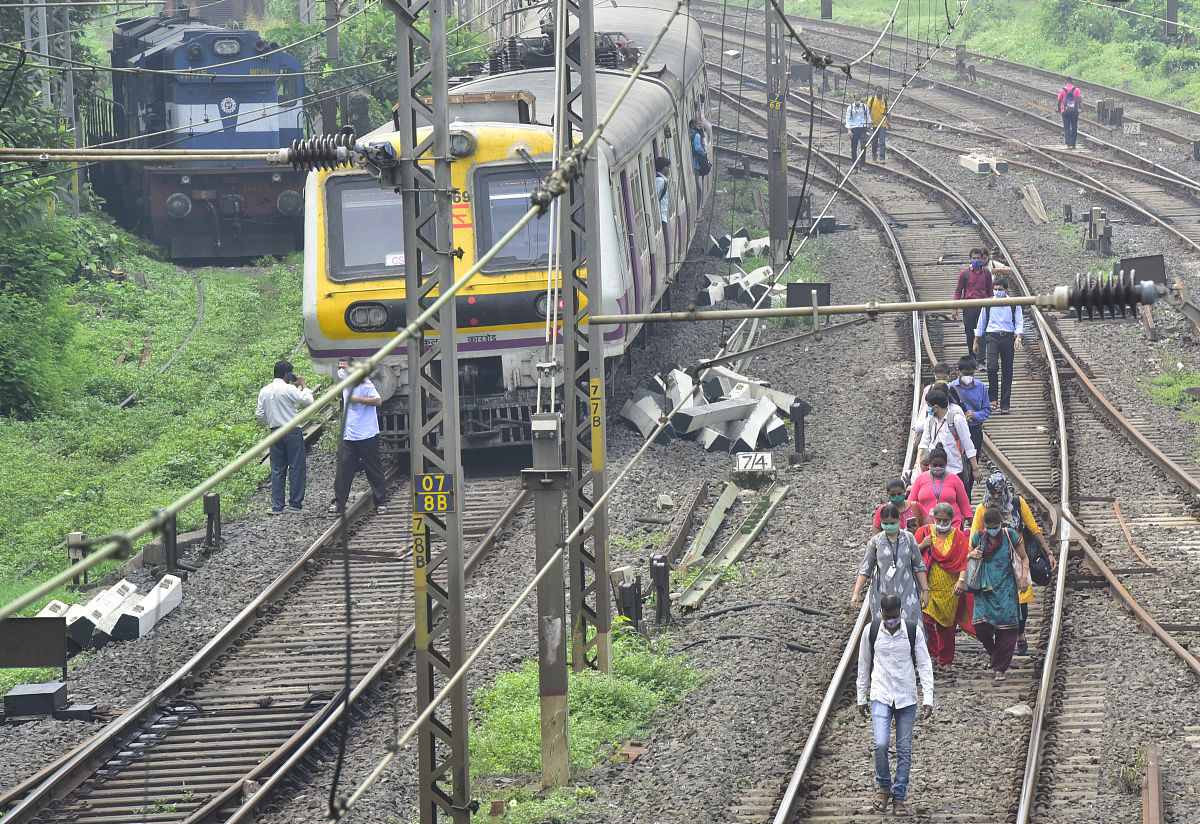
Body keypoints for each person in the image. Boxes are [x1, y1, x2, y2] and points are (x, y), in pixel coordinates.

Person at [856, 593, 933, 817]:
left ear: (901, 612)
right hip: (881, 694)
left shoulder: (912, 631)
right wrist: (862, 697)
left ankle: (899, 797)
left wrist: (928, 697)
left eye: (895, 616)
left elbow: (925, 664)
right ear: (882, 614)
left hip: (906, 697)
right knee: (880, 743)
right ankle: (883, 787)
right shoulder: (871, 631)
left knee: (904, 749)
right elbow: (864, 665)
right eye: (888, 617)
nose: (892, 620)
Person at [970, 472, 1056, 655]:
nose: (996, 497)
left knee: (1022, 599)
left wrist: (1048, 551)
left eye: (999, 493)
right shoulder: (981, 509)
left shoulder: (1017, 503)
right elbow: (974, 537)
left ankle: (1020, 632)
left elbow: (1033, 528)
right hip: (992, 563)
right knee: (994, 600)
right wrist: (973, 554)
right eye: (993, 493)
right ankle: (999, 643)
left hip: (1017, 559)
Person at [961, 504, 1030, 681]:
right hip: (984, 590)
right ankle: (994, 654)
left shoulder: (1010, 535)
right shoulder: (978, 537)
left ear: (1001, 523)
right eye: (988, 527)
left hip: (1006, 588)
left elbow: (1024, 557)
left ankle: (1000, 667)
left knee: (1007, 630)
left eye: (995, 527)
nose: (992, 531)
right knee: (981, 627)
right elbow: (968, 557)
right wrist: (972, 555)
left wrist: (1023, 577)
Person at [915, 503, 973, 672]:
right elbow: (910, 554)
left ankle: (946, 660)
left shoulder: (959, 536)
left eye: (945, 520)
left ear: (952, 520)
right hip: (927, 585)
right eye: (938, 520)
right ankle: (931, 655)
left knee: (946, 625)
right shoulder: (925, 532)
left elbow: (964, 560)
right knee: (926, 621)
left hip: (950, 587)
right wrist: (922, 545)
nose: (941, 523)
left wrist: (960, 581)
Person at [851, 504, 930, 628]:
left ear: (899, 520)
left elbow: (919, 566)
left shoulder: (909, 539)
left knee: (910, 627)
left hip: (907, 592)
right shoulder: (875, 542)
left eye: (892, 523)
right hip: (882, 593)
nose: (889, 526)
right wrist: (856, 593)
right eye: (885, 523)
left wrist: (925, 590)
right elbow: (865, 569)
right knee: (884, 629)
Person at [329, 358, 389, 517]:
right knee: (344, 469)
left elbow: (378, 401)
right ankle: (339, 502)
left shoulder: (364, 383)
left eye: (344, 367)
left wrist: (356, 399)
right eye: (339, 367)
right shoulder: (344, 383)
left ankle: (381, 501)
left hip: (367, 433)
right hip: (349, 434)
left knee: (373, 468)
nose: (341, 371)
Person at [255, 359, 315, 514]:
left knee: (277, 468)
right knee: (296, 466)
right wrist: (304, 385)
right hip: (292, 431)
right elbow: (308, 401)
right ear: (286, 374)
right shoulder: (288, 389)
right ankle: (295, 504)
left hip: (275, 431)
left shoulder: (265, 390)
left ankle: (277, 505)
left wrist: (272, 421)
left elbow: (259, 415)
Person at [973, 275, 1024, 414]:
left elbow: (1019, 321)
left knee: (1007, 370)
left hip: (1007, 337)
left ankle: (1005, 403)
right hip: (992, 337)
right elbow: (982, 321)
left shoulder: (1014, 303)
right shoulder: (989, 303)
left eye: (1000, 289)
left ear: (1006, 290)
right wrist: (976, 340)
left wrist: (1018, 337)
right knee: (992, 366)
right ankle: (992, 397)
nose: (997, 292)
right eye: (995, 289)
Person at [918, 388, 981, 496]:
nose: (927, 408)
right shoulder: (930, 421)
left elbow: (968, 445)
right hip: (935, 471)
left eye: (929, 405)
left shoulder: (956, 419)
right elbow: (924, 443)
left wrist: (975, 469)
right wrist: (919, 465)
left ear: (935, 407)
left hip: (955, 471)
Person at [948, 356, 990, 497]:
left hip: (974, 430)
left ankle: (967, 497)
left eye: (971, 374)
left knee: (972, 466)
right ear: (959, 372)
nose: (969, 377)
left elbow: (986, 410)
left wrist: (975, 415)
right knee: (956, 465)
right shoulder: (950, 388)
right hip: (955, 433)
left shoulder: (981, 387)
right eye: (966, 374)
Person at [910, 444, 973, 529]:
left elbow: (964, 504)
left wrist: (973, 526)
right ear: (930, 464)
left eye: (941, 465)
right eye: (934, 465)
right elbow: (911, 503)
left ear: (946, 464)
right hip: (927, 527)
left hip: (953, 526)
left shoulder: (954, 479)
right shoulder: (920, 480)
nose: (938, 468)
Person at [950, 248, 992, 358]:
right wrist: (955, 308)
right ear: (970, 259)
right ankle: (972, 357)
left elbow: (990, 292)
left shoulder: (987, 273)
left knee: (982, 333)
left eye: (978, 258)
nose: (976, 260)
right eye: (974, 258)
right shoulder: (965, 273)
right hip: (968, 307)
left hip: (982, 306)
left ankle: (981, 359)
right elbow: (958, 290)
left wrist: (991, 308)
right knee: (970, 333)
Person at [844, 92, 870, 167]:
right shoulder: (850, 108)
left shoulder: (864, 107)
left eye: (859, 99)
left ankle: (863, 164)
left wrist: (870, 130)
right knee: (854, 147)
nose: (858, 100)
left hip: (862, 129)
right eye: (856, 99)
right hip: (854, 129)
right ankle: (854, 166)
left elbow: (868, 118)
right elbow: (847, 120)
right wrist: (848, 130)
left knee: (863, 146)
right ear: (854, 99)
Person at [1057, 79, 1083, 149]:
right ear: (1072, 82)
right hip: (1074, 111)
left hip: (1065, 111)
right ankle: (1073, 144)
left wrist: (1059, 108)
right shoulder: (1076, 90)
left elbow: (1059, 101)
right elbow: (1080, 101)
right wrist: (1083, 110)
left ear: (1065, 82)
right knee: (1074, 127)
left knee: (1067, 127)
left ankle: (1069, 144)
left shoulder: (1062, 90)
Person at [866, 85, 888, 162]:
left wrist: (889, 122)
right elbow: (867, 111)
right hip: (874, 124)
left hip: (882, 124)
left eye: (881, 92)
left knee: (882, 141)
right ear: (875, 92)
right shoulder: (871, 100)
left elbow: (887, 112)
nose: (879, 93)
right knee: (874, 142)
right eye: (878, 92)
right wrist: (869, 121)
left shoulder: (884, 101)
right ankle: (874, 156)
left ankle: (882, 158)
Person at [689, 117, 708, 201]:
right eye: (699, 126)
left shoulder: (689, 133)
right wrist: (704, 153)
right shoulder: (696, 135)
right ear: (694, 126)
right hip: (695, 164)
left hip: (691, 163)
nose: (701, 128)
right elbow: (697, 148)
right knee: (697, 190)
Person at [655, 156, 671, 241]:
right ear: (664, 168)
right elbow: (655, 197)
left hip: (662, 215)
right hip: (661, 216)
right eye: (668, 167)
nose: (669, 170)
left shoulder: (661, 179)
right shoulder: (660, 181)